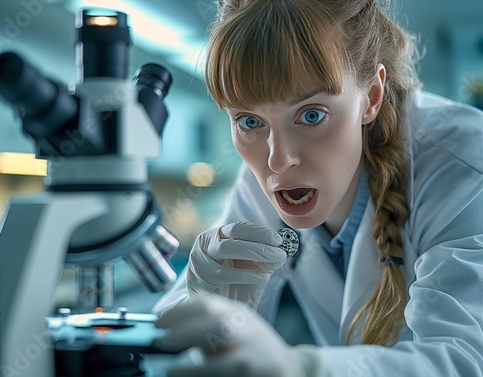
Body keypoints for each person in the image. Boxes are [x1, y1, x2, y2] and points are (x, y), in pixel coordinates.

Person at [150, 0, 483, 376]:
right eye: (249, 121)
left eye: (311, 115)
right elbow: (167, 340)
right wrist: (199, 300)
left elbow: (464, 359)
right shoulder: (263, 183)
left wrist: (300, 368)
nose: (278, 159)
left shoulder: (464, 166)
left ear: (371, 97)